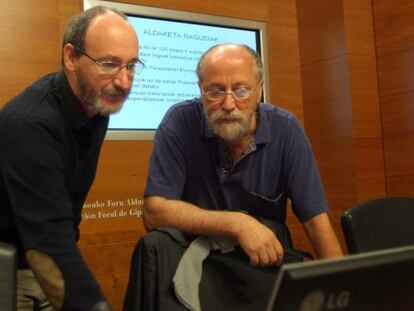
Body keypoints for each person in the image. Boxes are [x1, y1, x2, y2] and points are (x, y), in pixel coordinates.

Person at [143, 44, 343, 269]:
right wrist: (237, 224)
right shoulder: (179, 122)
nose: (228, 104)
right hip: (197, 265)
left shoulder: (286, 129)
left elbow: (316, 222)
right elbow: (154, 212)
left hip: (258, 268)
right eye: (216, 91)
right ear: (201, 90)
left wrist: (344, 288)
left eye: (241, 90)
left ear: (259, 90)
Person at [0, 6, 142, 311]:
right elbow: (49, 240)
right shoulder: (31, 126)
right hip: (10, 269)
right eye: (109, 64)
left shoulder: (96, 105)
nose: (124, 82)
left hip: (43, 260)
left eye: (131, 66)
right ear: (70, 57)